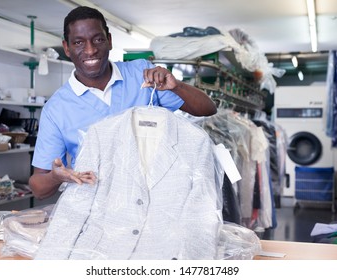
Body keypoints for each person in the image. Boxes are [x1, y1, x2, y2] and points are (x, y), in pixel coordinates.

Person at [29, 6, 217, 200]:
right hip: (95, 208)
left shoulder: (141, 75)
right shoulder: (57, 108)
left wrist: (176, 86)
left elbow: (208, 109)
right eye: (78, 42)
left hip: (154, 200)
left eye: (98, 39)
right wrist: (55, 177)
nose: (90, 50)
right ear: (67, 48)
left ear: (109, 40)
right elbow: (38, 186)